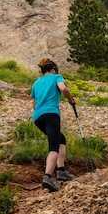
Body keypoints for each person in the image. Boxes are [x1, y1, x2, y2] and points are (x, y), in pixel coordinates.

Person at [30, 57, 75, 192]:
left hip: (38, 117)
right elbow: (63, 89)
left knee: (60, 138)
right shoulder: (57, 77)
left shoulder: (36, 83)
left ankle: (60, 170)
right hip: (51, 114)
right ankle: (47, 176)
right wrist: (71, 100)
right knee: (54, 146)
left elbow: (33, 103)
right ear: (53, 69)